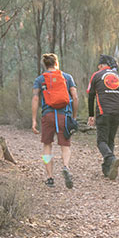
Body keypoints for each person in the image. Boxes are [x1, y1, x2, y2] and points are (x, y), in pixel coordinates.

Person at [32, 53, 79, 188]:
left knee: (47, 145)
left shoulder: (40, 79)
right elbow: (75, 97)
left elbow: (35, 99)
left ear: (45, 64)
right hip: (64, 115)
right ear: (56, 63)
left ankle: (50, 177)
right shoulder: (67, 77)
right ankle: (66, 166)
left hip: (48, 115)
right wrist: (73, 117)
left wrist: (34, 120)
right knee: (65, 145)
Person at [87, 55, 119, 180]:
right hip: (117, 112)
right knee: (110, 140)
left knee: (101, 141)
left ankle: (111, 159)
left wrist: (91, 115)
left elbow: (91, 96)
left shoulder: (97, 75)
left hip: (103, 111)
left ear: (101, 65)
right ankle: (108, 169)